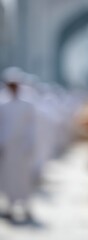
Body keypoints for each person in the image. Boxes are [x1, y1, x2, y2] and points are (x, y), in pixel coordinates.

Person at [0, 68, 38, 225]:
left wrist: (30, 144)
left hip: (22, 147)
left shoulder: (27, 105)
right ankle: (9, 208)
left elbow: (31, 126)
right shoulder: (2, 103)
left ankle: (26, 207)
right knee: (7, 178)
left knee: (23, 178)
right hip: (7, 147)